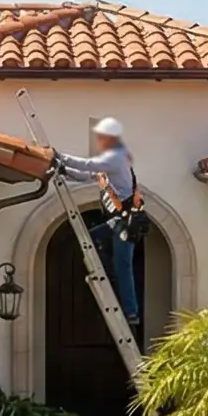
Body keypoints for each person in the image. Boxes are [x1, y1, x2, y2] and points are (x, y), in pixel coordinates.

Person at [55, 116, 146, 341]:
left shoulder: (115, 158)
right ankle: (107, 272)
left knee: (123, 266)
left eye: (101, 137)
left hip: (126, 222)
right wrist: (63, 169)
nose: (99, 141)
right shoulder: (112, 161)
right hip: (118, 221)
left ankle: (131, 312)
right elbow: (88, 175)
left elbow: (89, 165)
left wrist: (58, 156)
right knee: (91, 239)